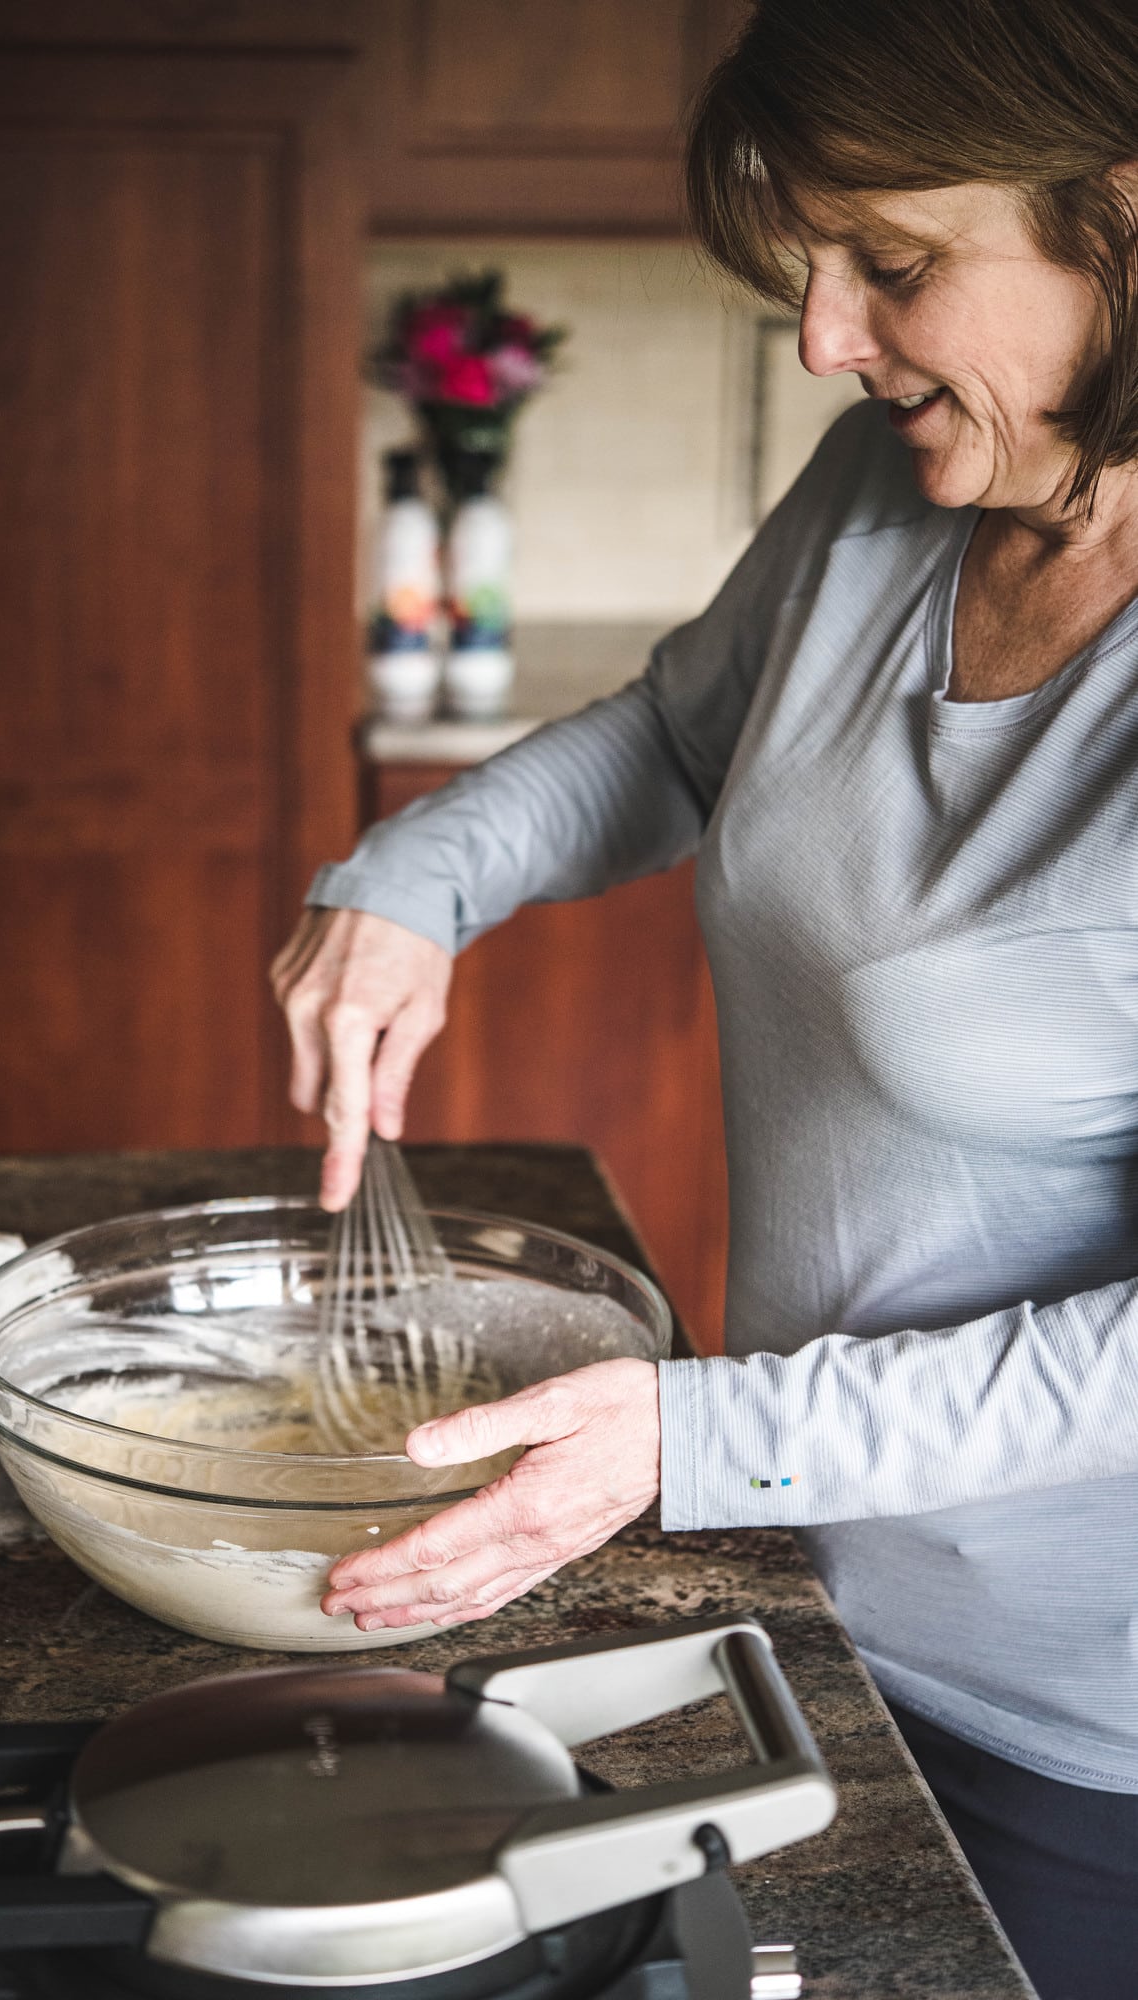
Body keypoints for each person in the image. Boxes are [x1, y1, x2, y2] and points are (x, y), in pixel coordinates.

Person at [271, 3, 1138, 1992]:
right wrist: (411, 881)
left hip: (1082, 1739)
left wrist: (695, 1437)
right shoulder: (882, 488)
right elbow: (681, 735)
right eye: (813, 272)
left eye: (894, 268)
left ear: (1123, 220)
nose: (827, 338)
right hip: (796, 1601)